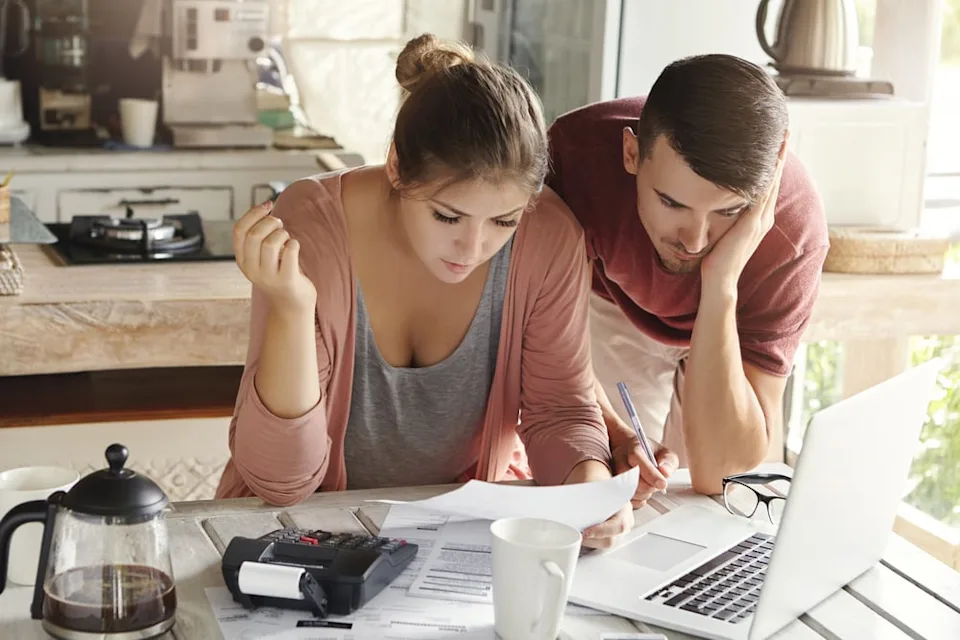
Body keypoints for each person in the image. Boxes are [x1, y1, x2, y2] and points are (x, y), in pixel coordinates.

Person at [214, 34, 632, 548]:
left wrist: (587, 497)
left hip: (455, 542)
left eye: (503, 221)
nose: (473, 246)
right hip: (302, 538)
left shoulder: (549, 235)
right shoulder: (312, 224)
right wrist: (292, 308)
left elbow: (559, 410)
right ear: (396, 167)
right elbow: (281, 482)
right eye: (447, 215)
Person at [546, 54, 830, 503]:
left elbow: (719, 474)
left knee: (711, 505)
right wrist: (617, 435)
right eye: (672, 203)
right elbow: (547, 355)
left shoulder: (794, 233)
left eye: (728, 212)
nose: (695, 241)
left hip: (727, 323)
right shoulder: (574, 157)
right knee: (619, 490)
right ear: (631, 153)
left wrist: (721, 283)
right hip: (614, 303)